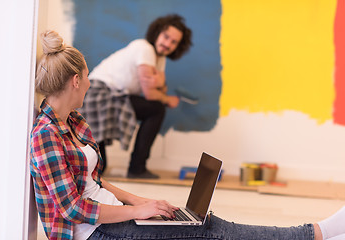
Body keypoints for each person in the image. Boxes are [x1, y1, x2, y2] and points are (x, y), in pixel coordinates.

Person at [31, 30, 342, 240]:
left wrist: (142, 202)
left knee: (199, 224)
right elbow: (73, 208)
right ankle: (316, 233)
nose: (89, 83)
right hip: (92, 232)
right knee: (209, 230)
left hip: (109, 216)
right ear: (74, 81)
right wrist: (138, 211)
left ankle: (315, 233)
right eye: (86, 78)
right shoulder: (46, 135)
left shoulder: (72, 121)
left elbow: (93, 183)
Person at [79, 14, 193, 179]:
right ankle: (137, 168)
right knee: (157, 108)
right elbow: (150, 93)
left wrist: (159, 85)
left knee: (99, 169)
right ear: (157, 33)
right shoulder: (144, 47)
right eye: (166, 37)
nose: (167, 44)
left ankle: (137, 168)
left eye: (173, 42)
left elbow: (159, 88)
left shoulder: (159, 59)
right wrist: (167, 98)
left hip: (114, 95)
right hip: (98, 95)